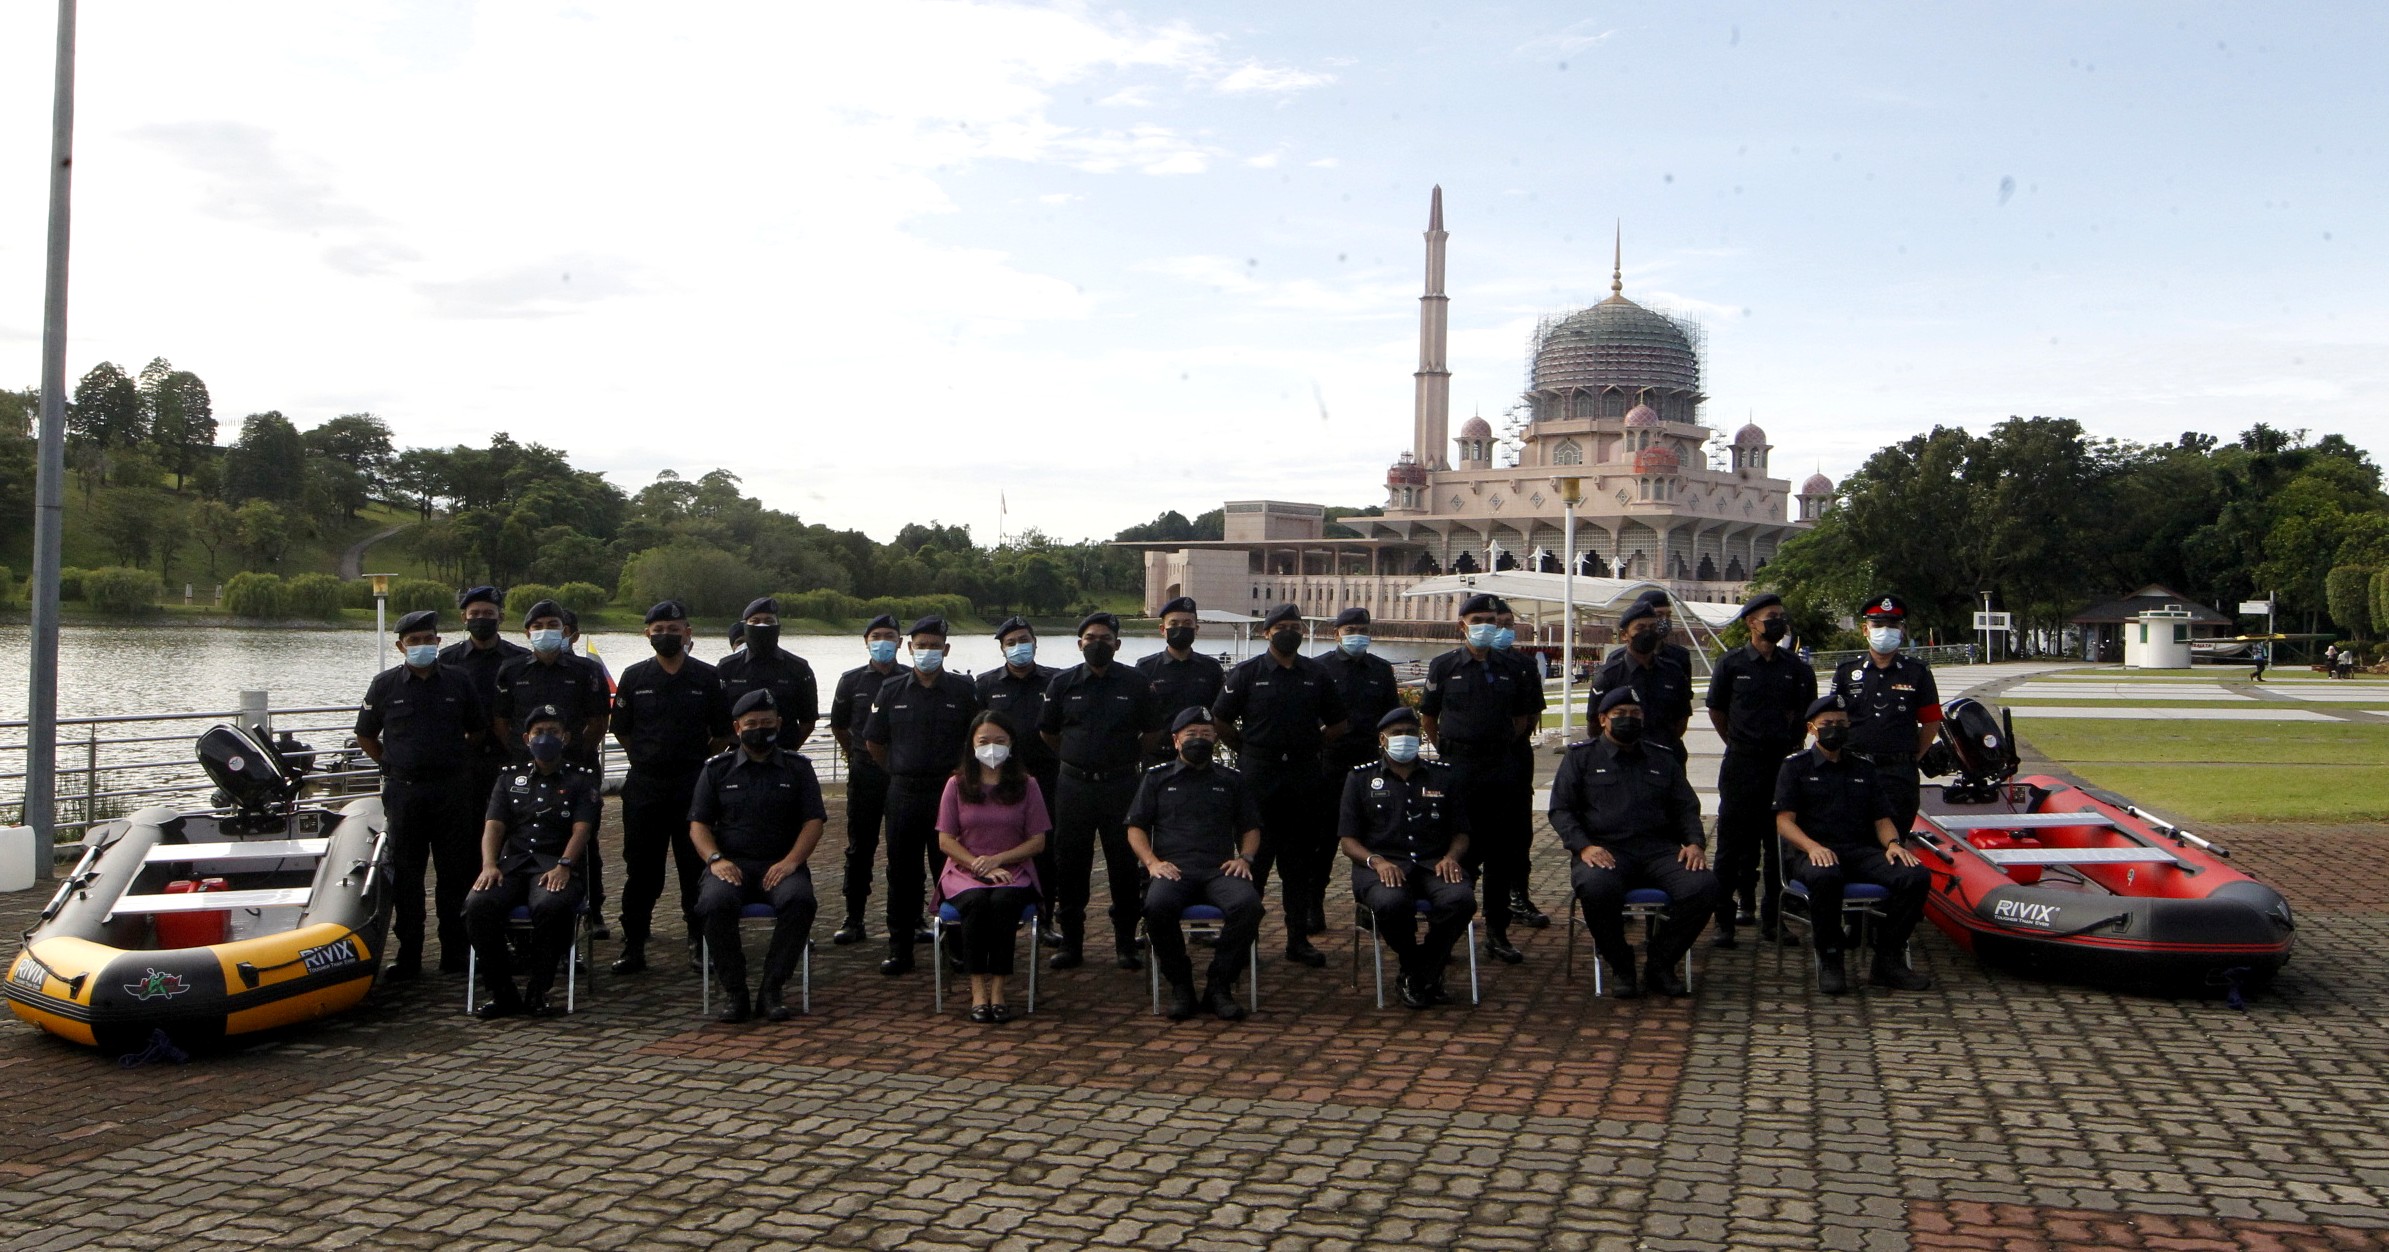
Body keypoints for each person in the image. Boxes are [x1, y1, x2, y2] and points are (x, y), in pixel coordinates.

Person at [1549, 686, 1719, 998]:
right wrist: (1583, 846)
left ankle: (1661, 962)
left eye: (1636, 714)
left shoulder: (1662, 757)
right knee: (1596, 888)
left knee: (1704, 886)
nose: (1629, 719)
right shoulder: (1581, 758)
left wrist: (1695, 843)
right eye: (1621, 715)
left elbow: (1686, 807)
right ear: (1603, 719)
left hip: (1659, 851)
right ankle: (1621, 965)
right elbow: (1560, 810)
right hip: (1604, 851)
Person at [355, 609, 489, 979]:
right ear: (400, 646)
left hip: (452, 792)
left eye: (428, 639)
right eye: (413, 641)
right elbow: (365, 734)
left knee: (456, 874)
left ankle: (455, 953)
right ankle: (409, 955)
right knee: (408, 877)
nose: (422, 646)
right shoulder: (384, 685)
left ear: (438, 642)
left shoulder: (459, 682)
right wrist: (392, 762)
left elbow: (476, 730)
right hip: (405, 793)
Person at [1213, 603, 1349, 966]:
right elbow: (1220, 719)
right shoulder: (1246, 673)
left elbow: (1338, 723)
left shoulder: (1317, 674)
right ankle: (1247, 940)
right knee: (1252, 864)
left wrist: (1312, 744)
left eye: (1295, 626)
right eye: (1281, 626)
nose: (1289, 631)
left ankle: (1297, 940)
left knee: (1298, 867)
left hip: (1304, 779)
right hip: (1259, 779)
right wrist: (1247, 749)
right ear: (1266, 632)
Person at [1775, 694, 1933, 994]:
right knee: (1827, 876)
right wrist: (1812, 847)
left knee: (1914, 876)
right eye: (1827, 724)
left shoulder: (1863, 767)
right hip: (1812, 853)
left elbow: (1881, 817)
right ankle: (1831, 959)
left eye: (1840, 723)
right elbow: (1784, 820)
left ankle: (1888, 959)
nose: (1834, 729)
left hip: (1860, 851)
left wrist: (1893, 844)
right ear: (1811, 728)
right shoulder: (1795, 767)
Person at [607, 600, 731, 975]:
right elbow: (622, 730)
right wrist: (648, 757)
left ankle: (698, 940)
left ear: (687, 632)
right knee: (642, 869)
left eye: (674, 629)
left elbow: (724, 733)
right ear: (647, 634)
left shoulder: (707, 678)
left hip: (692, 784)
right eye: (658, 629)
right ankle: (633, 944)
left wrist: (694, 760)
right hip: (645, 785)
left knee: (695, 867)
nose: (666, 635)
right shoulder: (634, 677)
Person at [689, 689, 828, 1022]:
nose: (760, 728)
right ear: (737, 728)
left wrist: (793, 861)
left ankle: (772, 989)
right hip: (730, 864)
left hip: (781, 863)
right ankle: (735, 992)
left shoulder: (798, 768)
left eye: (767, 723)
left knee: (800, 902)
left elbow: (813, 822)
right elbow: (698, 825)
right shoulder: (717, 769)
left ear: (779, 724)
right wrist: (715, 860)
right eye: (752, 723)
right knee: (713, 905)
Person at [1420, 593, 1542, 964]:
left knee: (1502, 853)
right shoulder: (1444, 666)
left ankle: (1497, 932)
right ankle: (1452, 928)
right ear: (1462, 626)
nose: (1487, 627)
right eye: (1478, 621)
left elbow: (1523, 719)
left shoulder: (1513, 667)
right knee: (1461, 850)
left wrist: (1500, 745)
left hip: (1500, 767)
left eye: (1492, 619)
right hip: (1459, 768)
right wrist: (1452, 751)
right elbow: (1428, 718)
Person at [1036, 611, 1160, 970]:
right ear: (1079, 644)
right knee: (1070, 865)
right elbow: (1048, 732)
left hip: (1121, 785)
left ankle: (1125, 944)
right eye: (1090, 638)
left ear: (1117, 644)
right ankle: (1071, 943)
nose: (1097, 644)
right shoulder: (1062, 684)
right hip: (1073, 787)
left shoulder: (1136, 683)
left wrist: (1122, 759)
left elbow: (1152, 733)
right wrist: (1077, 759)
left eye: (1105, 639)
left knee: (1123, 864)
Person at [863, 615, 984, 975]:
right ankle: (900, 948)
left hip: (949, 795)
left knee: (954, 871)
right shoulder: (891, 690)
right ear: (909, 648)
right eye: (921, 646)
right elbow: (875, 742)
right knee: (902, 874)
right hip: (904, 793)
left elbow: (977, 739)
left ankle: (958, 948)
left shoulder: (964, 691)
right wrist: (899, 769)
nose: (927, 652)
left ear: (945, 649)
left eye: (935, 646)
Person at [1127, 707, 1265, 1021]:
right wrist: (1151, 863)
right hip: (1173, 870)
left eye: (1205, 734)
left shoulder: (1231, 780)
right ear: (1176, 741)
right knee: (1156, 907)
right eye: (1191, 734)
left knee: (1249, 906)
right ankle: (1181, 985)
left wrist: (1245, 858)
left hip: (1220, 870)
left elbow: (1250, 827)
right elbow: (1135, 827)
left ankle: (1220, 985)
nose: (1198, 740)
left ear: (1216, 739)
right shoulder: (1156, 779)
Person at [462, 704, 596, 1018]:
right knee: (478, 904)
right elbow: (493, 826)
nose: (545, 738)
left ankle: (538, 992)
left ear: (566, 738)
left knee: (550, 906)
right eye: (538, 733)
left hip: (556, 865)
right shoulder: (509, 778)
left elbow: (582, 829)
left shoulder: (581, 780)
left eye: (553, 732)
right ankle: (502, 993)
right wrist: (489, 864)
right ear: (526, 738)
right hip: (514, 865)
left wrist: (564, 865)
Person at [1337, 707, 1474, 1010]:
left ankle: (1418, 971)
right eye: (1397, 733)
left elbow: (1461, 832)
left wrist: (1452, 857)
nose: (1405, 739)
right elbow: (1348, 841)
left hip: (1432, 864)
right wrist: (1377, 861)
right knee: (1391, 903)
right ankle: (1421, 969)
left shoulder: (1443, 775)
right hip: (1379, 866)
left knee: (1460, 899)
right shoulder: (1360, 779)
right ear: (1382, 739)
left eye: (1411, 733)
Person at [1704, 592, 1817, 947]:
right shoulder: (1732, 664)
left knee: (1777, 849)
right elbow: (1717, 711)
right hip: (1742, 764)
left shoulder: (1796, 668)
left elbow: (1807, 715)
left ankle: (1773, 919)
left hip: (1782, 766)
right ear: (1751, 622)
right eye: (1771, 616)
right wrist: (1739, 742)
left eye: (1781, 616)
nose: (1778, 622)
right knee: (1731, 848)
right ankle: (1723, 920)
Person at [935, 711, 1048, 1023]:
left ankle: (998, 988)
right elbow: (946, 840)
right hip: (964, 872)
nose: (992, 747)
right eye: (984, 741)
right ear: (972, 744)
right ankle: (977, 990)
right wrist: (978, 866)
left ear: (1011, 744)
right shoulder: (956, 785)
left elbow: (1037, 841)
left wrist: (999, 860)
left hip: (1014, 870)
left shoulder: (1028, 785)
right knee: (975, 902)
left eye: (1000, 741)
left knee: (1002, 902)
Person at [976, 616, 1062, 942]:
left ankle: (1046, 918)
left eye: (1023, 640)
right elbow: (976, 735)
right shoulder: (985, 686)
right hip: (1001, 779)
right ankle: (1005, 913)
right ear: (1001, 648)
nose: (1018, 647)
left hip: (1047, 776)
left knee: (1046, 851)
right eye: (1010, 643)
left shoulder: (1056, 681)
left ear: (1035, 643)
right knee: (1001, 845)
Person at [1827, 595, 1942, 837]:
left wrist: (1911, 757)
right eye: (1878, 625)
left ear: (1902, 630)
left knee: (1895, 841)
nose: (1885, 631)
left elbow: (1931, 721)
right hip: (1854, 768)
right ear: (1865, 630)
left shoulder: (1917, 672)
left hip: (1897, 774)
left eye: (1892, 625)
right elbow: (1833, 719)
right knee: (1852, 839)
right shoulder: (1847, 672)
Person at [437, 586, 529, 872]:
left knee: (514, 827)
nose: (481, 618)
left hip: (509, 757)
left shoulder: (520, 659)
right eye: (474, 613)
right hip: (466, 761)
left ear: (500, 617)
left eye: (488, 613)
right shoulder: (447, 660)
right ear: (463, 617)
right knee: (466, 833)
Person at [827, 615, 906, 944]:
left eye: (890, 636)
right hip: (865, 774)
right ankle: (853, 917)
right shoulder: (851, 681)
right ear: (866, 641)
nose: (884, 641)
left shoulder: (912, 678)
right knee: (860, 848)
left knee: (904, 851)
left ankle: (909, 918)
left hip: (902, 776)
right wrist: (860, 755)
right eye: (877, 636)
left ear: (901, 642)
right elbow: (840, 727)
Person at [1489, 598, 1552, 929]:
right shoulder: (1456, 664)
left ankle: (1518, 897)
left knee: (1518, 835)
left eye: (1509, 624)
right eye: (1496, 624)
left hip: (1514, 758)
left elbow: (1532, 716)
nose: (1503, 631)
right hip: (1473, 762)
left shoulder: (1524, 666)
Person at [1591, 599, 1694, 758]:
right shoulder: (1609, 675)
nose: (1648, 632)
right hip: (1623, 760)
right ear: (1625, 635)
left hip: (1666, 757)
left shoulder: (1673, 673)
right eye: (1640, 628)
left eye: (1652, 627)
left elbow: (1681, 720)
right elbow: (1595, 726)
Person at [717, 596, 819, 749]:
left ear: (778, 626)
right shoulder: (727, 668)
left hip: (782, 757)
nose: (762, 625)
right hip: (737, 759)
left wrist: (789, 750)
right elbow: (717, 719)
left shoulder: (798, 668)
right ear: (746, 626)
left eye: (769, 621)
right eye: (755, 621)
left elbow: (808, 721)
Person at [1138, 596, 1225, 767]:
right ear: (1163, 629)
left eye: (1187, 624)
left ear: (1196, 628)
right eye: (1174, 624)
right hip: (1158, 757)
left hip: (1199, 757)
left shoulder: (1211, 668)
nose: (1181, 628)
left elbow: (1220, 713)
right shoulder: (1145, 668)